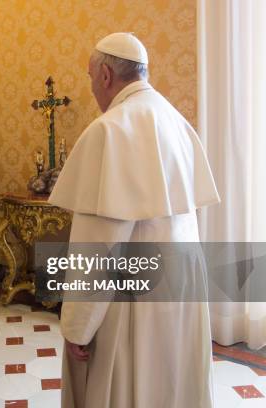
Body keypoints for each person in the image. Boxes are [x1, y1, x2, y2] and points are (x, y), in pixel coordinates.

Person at [49, 33, 220, 408]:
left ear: (106, 75)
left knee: (130, 385)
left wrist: (78, 325)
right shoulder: (175, 120)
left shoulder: (110, 129)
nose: (92, 86)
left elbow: (98, 245)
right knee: (172, 382)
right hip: (181, 287)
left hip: (132, 298)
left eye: (91, 76)